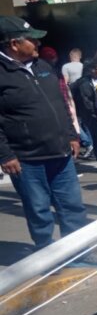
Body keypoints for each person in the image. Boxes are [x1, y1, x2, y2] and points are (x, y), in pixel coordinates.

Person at [0, 16, 90, 252]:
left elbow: (61, 104)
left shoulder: (44, 67)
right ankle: (46, 254)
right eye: (32, 40)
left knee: (72, 206)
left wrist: (72, 135)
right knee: (38, 210)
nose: (38, 45)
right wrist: (5, 155)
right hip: (26, 159)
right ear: (14, 44)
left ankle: (77, 252)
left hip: (60, 152)